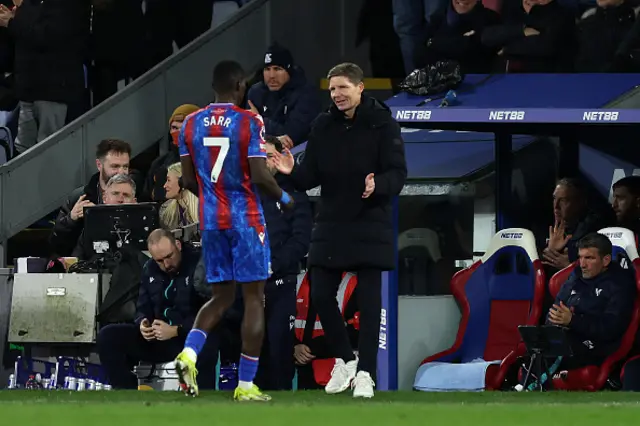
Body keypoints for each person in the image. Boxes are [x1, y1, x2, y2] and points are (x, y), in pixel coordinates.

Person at [273, 62, 407, 398]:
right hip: (331, 221)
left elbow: (398, 174)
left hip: (370, 219)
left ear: (360, 88)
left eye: (343, 88)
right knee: (320, 294)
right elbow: (310, 176)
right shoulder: (322, 125)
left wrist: (379, 184)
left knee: (370, 301)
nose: (337, 95)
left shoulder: (383, 124)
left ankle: (366, 374)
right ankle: (346, 360)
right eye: (332, 89)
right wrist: (291, 168)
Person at [173, 60, 293, 401]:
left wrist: (212, 198)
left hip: (212, 223)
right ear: (240, 86)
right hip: (246, 220)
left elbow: (185, 180)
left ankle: (189, 354)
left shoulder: (190, 123)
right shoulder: (248, 120)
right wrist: (285, 198)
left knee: (221, 297)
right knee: (255, 298)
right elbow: (258, 175)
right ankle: (245, 385)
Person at [97, 229, 218, 390]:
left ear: (178, 245)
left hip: (187, 336)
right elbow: (142, 307)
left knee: (206, 341)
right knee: (108, 336)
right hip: (158, 338)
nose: (166, 265)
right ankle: (126, 394)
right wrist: (143, 323)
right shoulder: (150, 268)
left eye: (169, 257)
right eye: (160, 260)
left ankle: (202, 399)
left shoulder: (199, 264)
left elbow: (213, 312)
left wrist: (177, 330)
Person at [159, 162, 199, 231]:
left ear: (183, 182)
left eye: (169, 180)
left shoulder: (206, 210)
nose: (165, 185)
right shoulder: (165, 211)